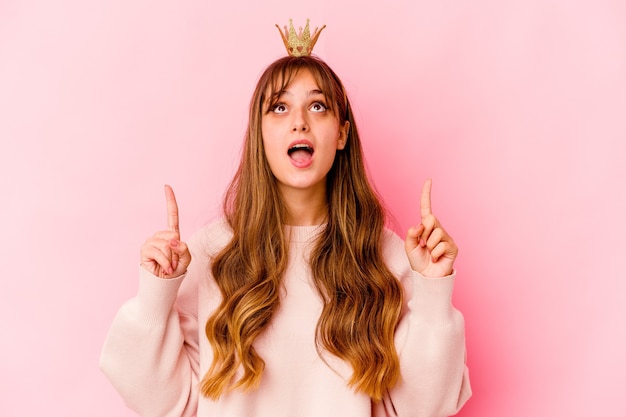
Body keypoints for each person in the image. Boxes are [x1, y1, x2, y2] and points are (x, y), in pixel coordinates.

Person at [100, 20, 471, 417]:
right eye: (279, 107)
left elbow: (425, 408)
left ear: (342, 133)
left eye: (317, 106)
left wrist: (432, 291)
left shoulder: (387, 257)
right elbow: (163, 403)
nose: (299, 122)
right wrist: (157, 294)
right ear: (260, 132)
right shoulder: (211, 253)